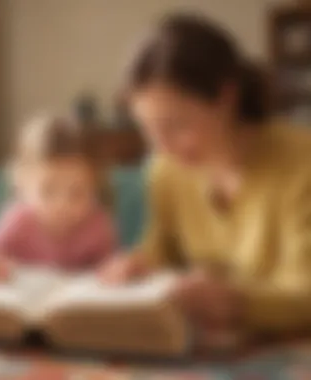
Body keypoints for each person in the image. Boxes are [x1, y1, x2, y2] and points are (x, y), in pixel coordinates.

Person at [100, 14, 311, 340]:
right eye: (148, 129)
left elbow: (305, 293)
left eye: (177, 125)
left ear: (226, 97)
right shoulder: (165, 169)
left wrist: (236, 303)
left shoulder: (301, 162)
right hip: (213, 348)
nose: (162, 147)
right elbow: (162, 248)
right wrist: (137, 264)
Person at [0, 115, 117, 282]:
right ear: (22, 186)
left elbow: (110, 268)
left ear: (95, 187)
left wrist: (118, 269)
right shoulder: (19, 220)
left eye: (78, 193)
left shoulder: (97, 224)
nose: (62, 204)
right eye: (48, 190)